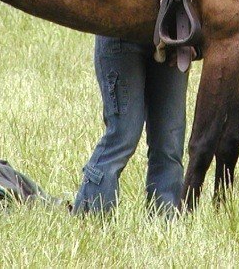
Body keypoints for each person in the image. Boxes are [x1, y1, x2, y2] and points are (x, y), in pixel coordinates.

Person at [72, 36, 189, 215]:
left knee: (170, 143)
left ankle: (166, 225)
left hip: (172, 36)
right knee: (123, 136)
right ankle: (91, 218)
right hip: (120, 33)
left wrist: (193, 40)